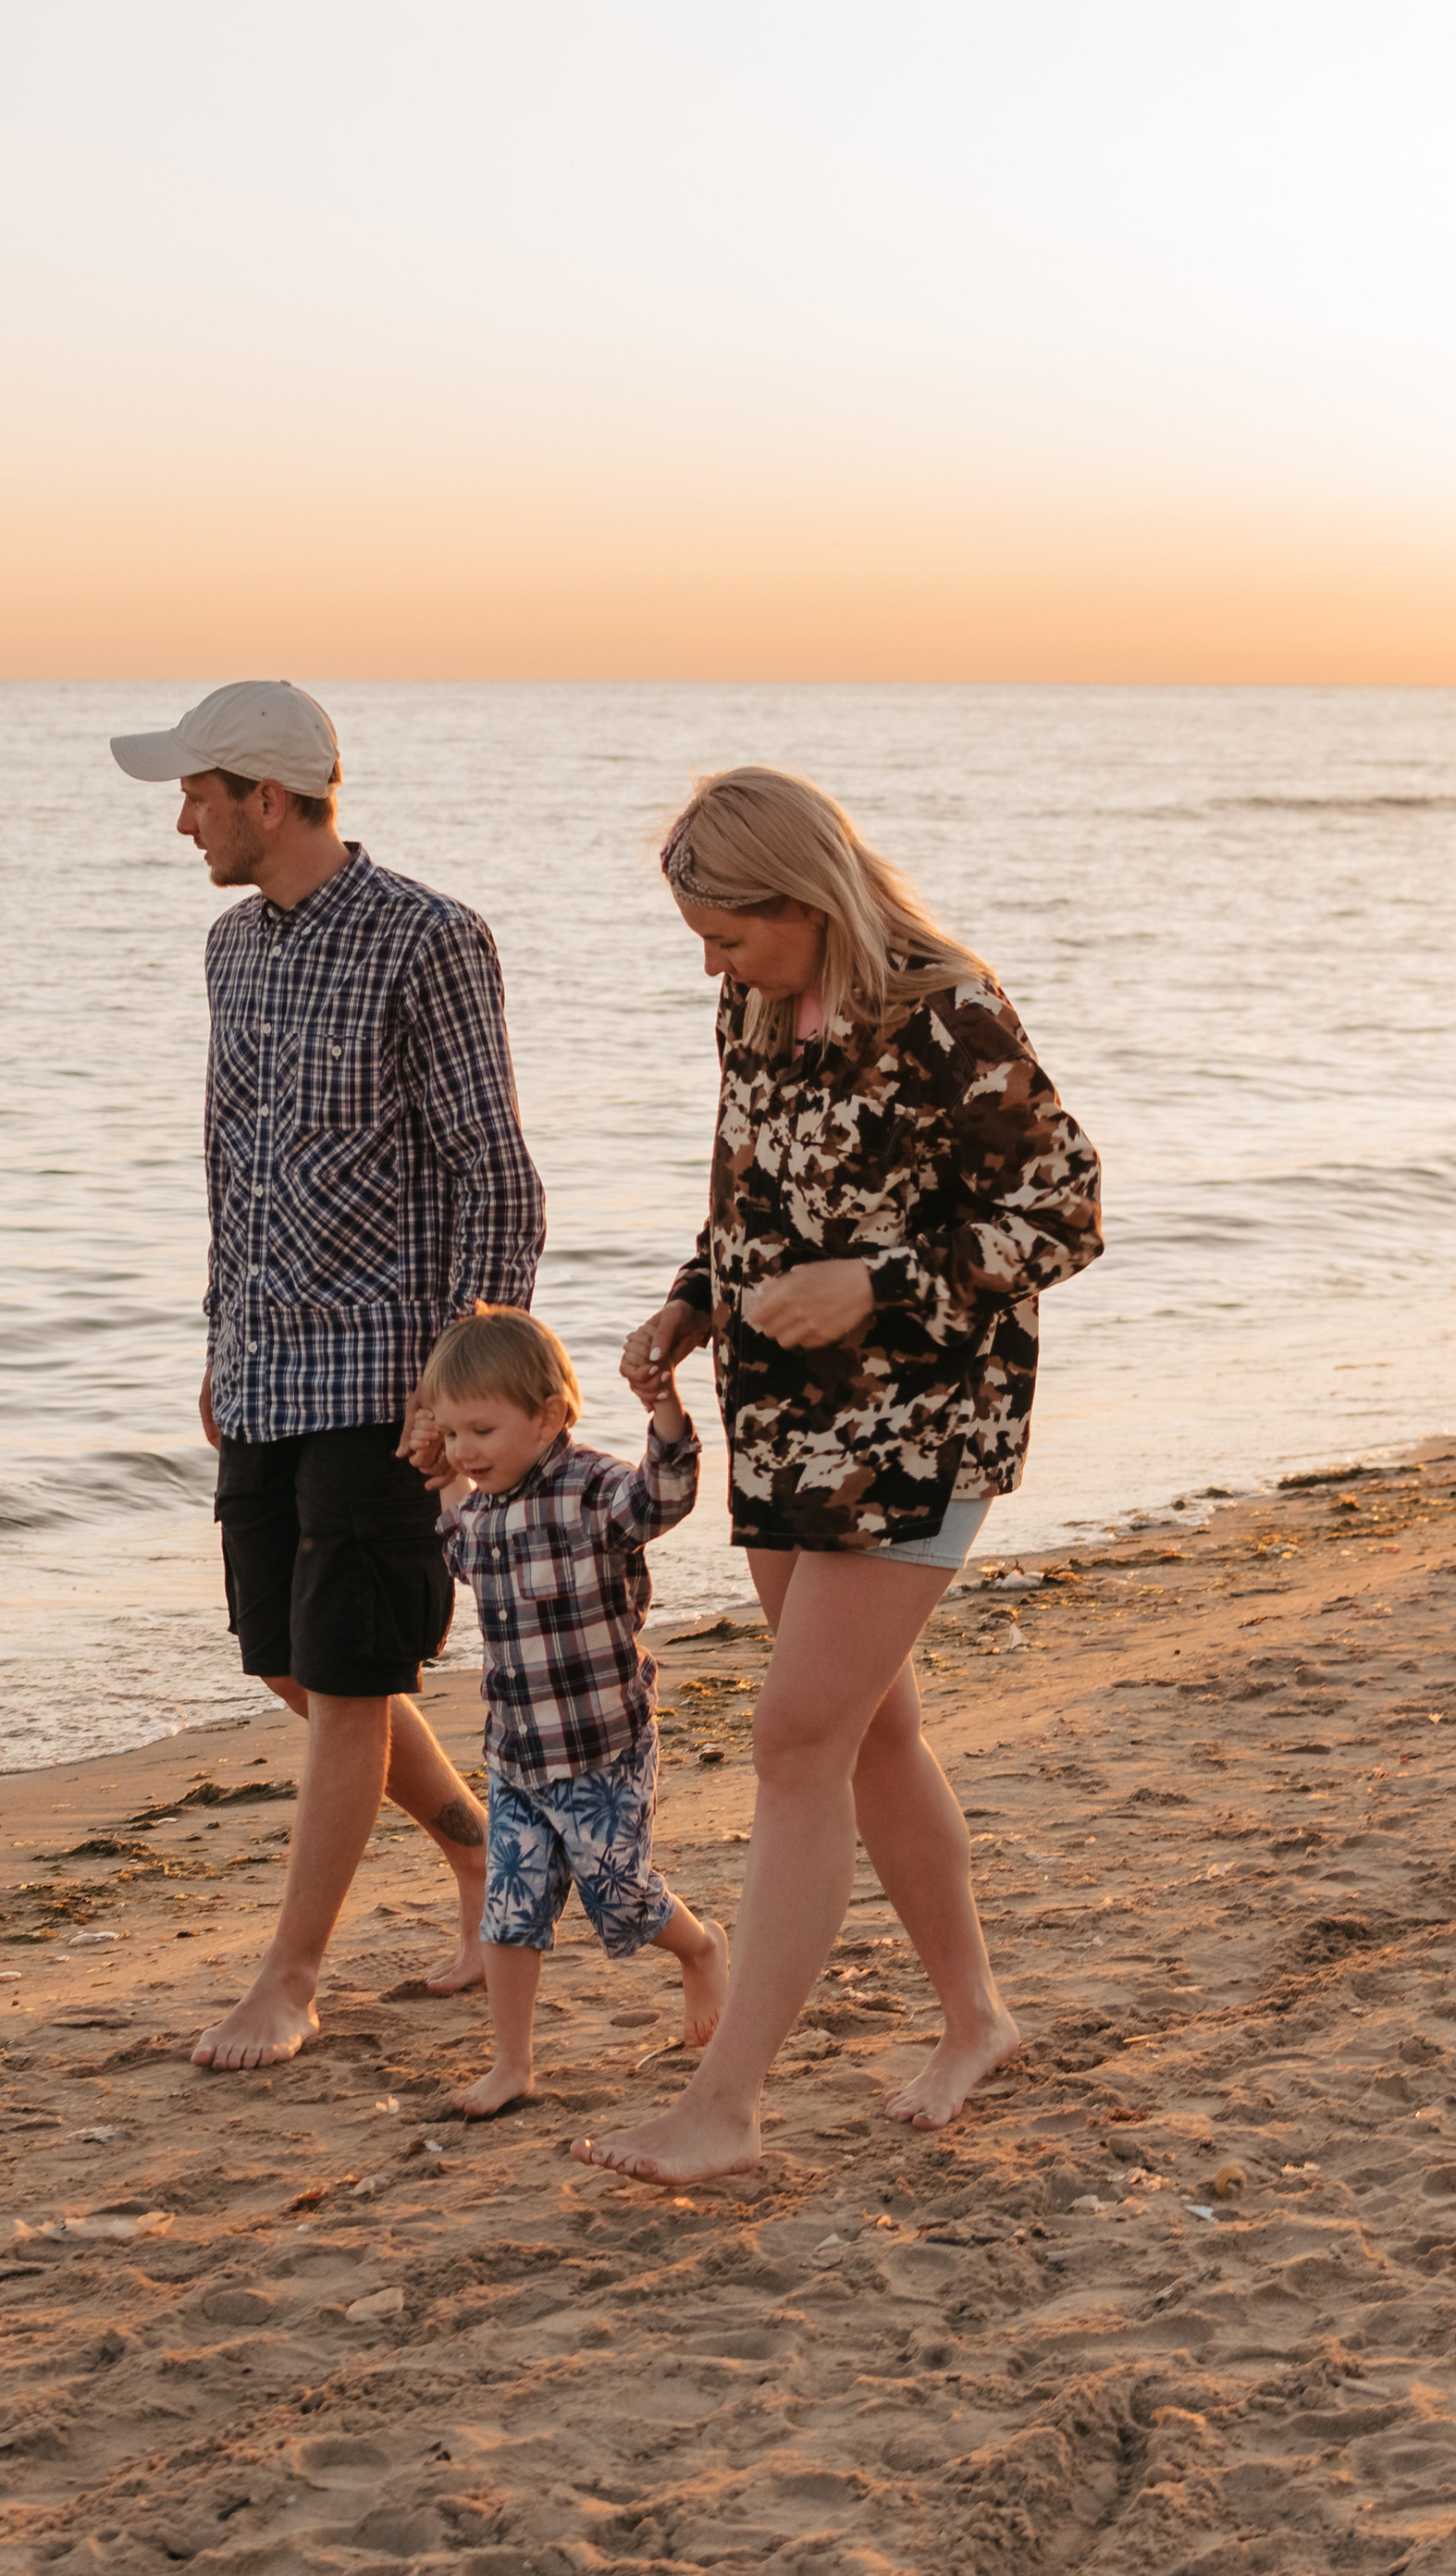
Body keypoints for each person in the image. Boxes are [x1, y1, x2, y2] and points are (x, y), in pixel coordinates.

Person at [580, 763, 1103, 2182]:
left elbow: (1065, 1212)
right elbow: (753, 1199)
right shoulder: (754, 1006)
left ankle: (728, 2107)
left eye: (728, 934)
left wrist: (875, 1285)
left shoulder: (949, 1012)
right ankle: (975, 2016)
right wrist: (694, 1298)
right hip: (778, 1423)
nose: (711, 962)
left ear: (804, 900)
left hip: (919, 1427)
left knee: (795, 1741)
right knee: (869, 1737)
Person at [110, 679, 546, 2068]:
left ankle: (290, 1981)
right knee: (288, 1664)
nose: (181, 820)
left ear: (269, 798)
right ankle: (482, 1853)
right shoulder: (232, 950)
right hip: (265, 1367)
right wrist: (217, 1337)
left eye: (196, 793)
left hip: (391, 1378)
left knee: (354, 1675)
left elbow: (496, 1171)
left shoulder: (430, 940)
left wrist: (470, 1384)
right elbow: (228, 1165)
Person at [420, 1304, 728, 2119]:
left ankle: (700, 1948)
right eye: (451, 1433)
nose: (465, 1450)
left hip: (601, 1748)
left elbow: (662, 1497)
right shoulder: (480, 1507)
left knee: (617, 1897)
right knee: (509, 1911)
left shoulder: (591, 1488)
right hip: (517, 1754)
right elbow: (458, 1548)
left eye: (480, 1431)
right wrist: (443, 1475)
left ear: (550, 1415)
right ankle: (512, 2064)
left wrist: (664, 1407)